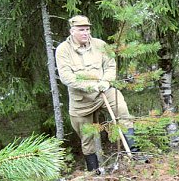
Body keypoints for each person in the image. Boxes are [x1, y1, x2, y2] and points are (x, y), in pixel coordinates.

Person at [55, 15, 138, 172]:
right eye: (81, 30)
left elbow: (110, 65)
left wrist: (106, 82)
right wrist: (90, 86)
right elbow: (66, 77)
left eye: (87, 29)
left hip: (104, 92)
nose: (85, 33)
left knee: (122, 111)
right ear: (72, 31)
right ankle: (95, 172)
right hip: (81, 101)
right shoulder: (63, 50)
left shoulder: (100, 45)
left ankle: (134, 153)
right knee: (87, 138)